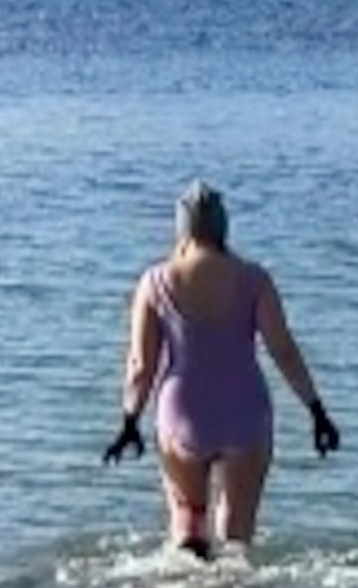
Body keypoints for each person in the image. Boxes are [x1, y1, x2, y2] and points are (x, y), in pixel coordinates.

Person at [102, 182, 340, 555]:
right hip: (244, 411)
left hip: (183, 414)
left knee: (187, 521)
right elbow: (284, 350)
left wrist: (129, 421)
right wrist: (317, 410)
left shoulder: (155, 281)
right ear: (223, 226)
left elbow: (140, 366)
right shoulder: (254, 279)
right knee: (236, 536)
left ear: (180, 228)